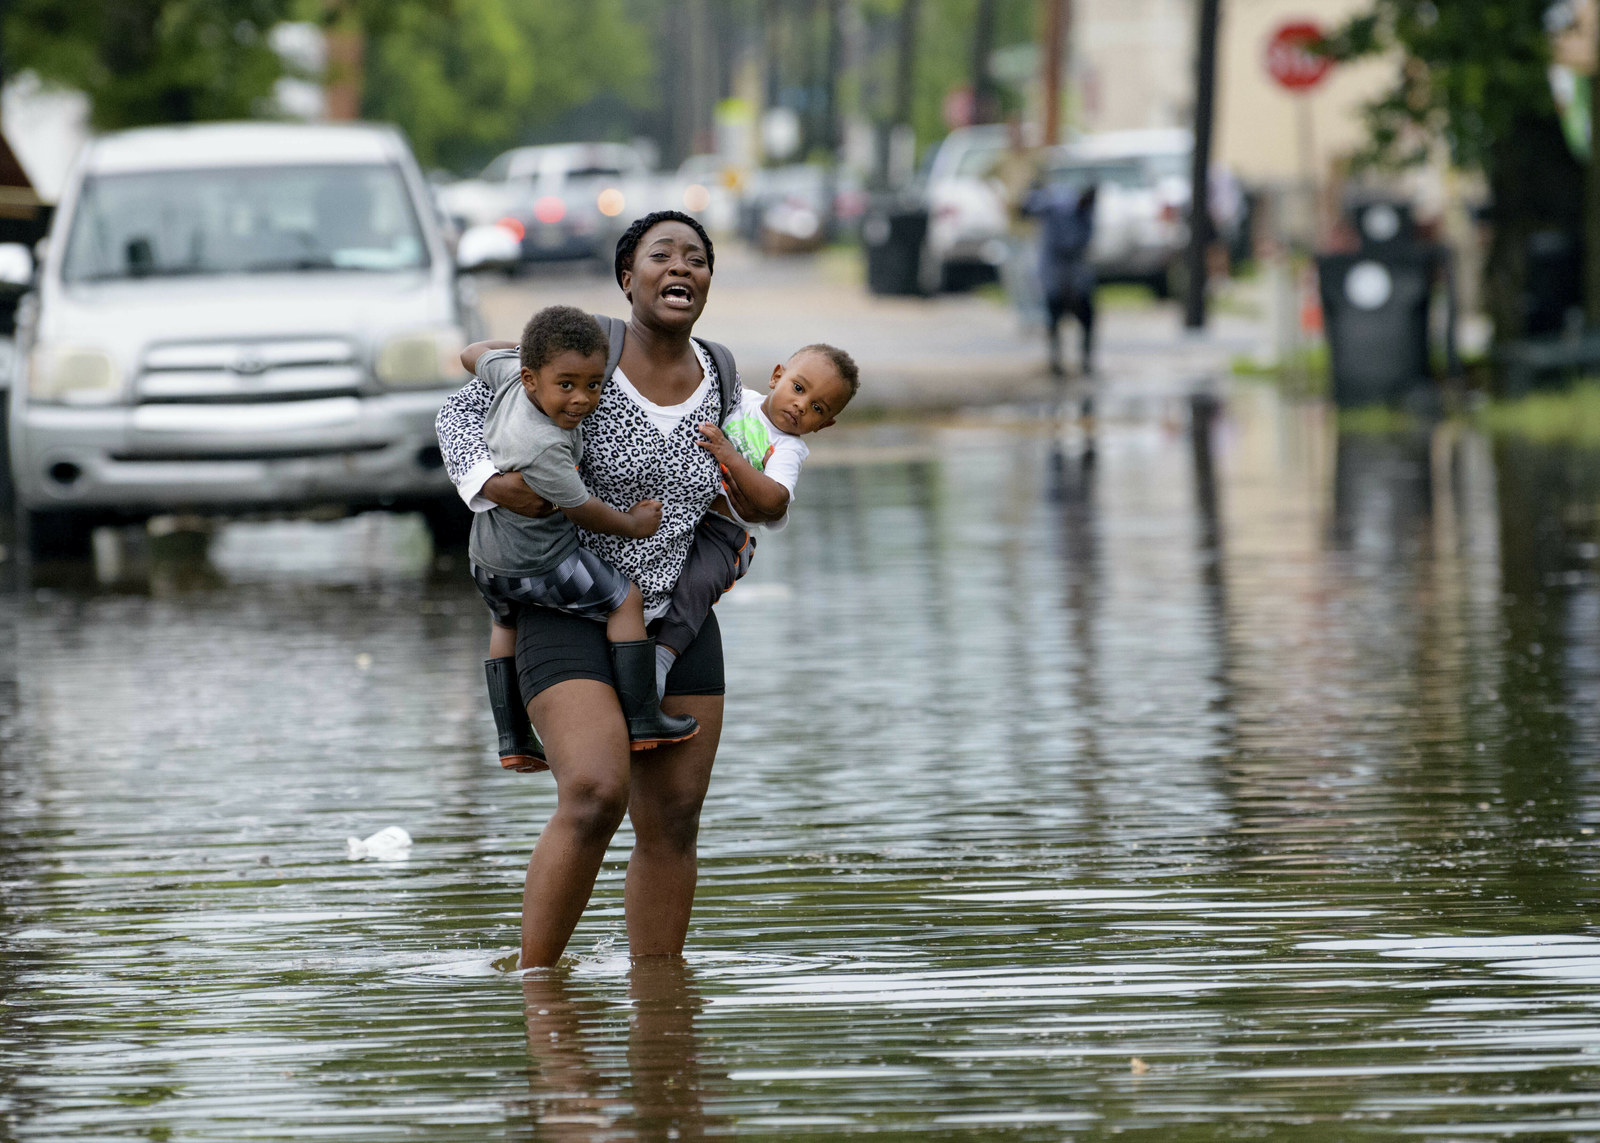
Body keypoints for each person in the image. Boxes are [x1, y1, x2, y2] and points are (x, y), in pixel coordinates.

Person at [435, 210, 784, 967]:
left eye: (697, 258)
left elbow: (757, 486)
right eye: (662, 255)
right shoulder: (583, 346)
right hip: (566, 601)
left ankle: (660, 1006)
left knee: (675, 820)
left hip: (675, 624)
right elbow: (461, 406)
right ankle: (536, 989)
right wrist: (489, 483)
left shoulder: (723, 375)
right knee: (595, 793)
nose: (680, 268)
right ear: (629, 277)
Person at [466, 305, 698, 769]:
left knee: (504, 623)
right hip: (538, 562)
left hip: (485, 558)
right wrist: (633, 525)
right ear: (532, 380)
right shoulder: (543, 444)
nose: (582, 400)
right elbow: (582, 509)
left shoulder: (510, 374)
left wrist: (530, 352)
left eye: (594, 385)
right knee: (625, 599)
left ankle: (512, 738)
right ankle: (642, 716)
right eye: (566, 385)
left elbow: (473, 353)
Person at [653, 342, 860, 693]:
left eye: (816, 408)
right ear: (777, 376)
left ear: (824, 425)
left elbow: (774, 498)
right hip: (684, 506)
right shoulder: (738, 400)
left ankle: (662, 657)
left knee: (699, 584)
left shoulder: (788, 448)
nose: (800, 405)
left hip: (723, 533)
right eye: (798, 388)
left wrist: (729, 455)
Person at [1026, 181, 1098, 377]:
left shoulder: (1087, 215)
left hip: (1076, 274)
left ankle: (1086, 361)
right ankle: (1055, 361)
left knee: (1087, 316)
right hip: (1055, 271)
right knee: (1054, 315)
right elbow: (1030, 206)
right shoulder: (1057, 205)